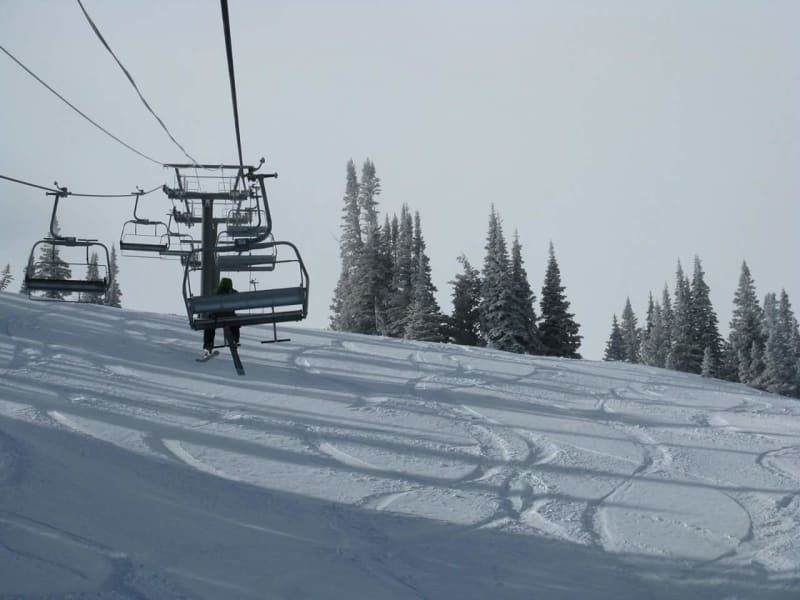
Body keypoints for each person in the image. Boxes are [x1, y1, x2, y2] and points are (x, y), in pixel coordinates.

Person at [203, 277, 241, 356]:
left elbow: (210, 305)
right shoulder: (234, 293)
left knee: (209, 326)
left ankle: (208, 344)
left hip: (217, 317)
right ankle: (235, 339)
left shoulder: (216, 292)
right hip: (230, 316)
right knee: (235, 322)